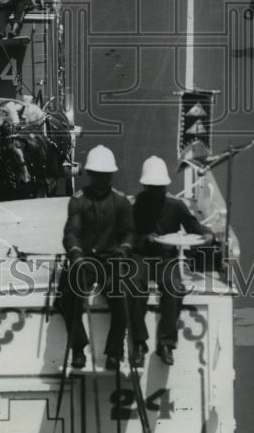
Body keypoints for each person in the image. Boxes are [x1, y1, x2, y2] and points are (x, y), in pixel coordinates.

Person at [128, 157, 215, 366]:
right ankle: (139, 342)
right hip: (141, 255)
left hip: (166, 257)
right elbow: (126, 234)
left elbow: (195, 228)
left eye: (159, 187)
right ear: (145, 186)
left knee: (174, 286)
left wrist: (208, 234)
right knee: (133, 284)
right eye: (152, 187)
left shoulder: (176, 205)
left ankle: (166, 343)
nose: (156, 191)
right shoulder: (135, 205)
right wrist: (142, 238)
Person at [60, 146, 135, 371]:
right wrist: (75, 253)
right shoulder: (78, 201)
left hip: (112, 261)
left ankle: (115, 351)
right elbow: (71, 231)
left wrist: (123, 250)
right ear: (89, 175)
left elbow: (129, 232)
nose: (102, 180)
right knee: (67, 293)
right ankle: (78, 348)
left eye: (106, 175)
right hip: (85, 261)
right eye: (97, 175)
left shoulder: (121, 202)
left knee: (124, 295)